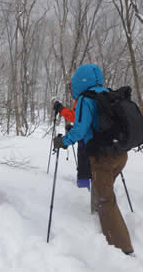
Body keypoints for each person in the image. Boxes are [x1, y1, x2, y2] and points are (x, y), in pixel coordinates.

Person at [53, 64, 134, 255]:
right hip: (120, 153)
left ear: (80, 81)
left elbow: (80, 129)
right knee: (101, 190)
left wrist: (63, 141)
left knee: (106, 200)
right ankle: (97, 218)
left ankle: (123, 250)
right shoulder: (107, 94)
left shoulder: (85, 99)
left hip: (102, 156)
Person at [53, 84, 92, 189]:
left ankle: (84, 193)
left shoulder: (83, 98)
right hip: (103, 142)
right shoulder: (96, 95)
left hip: (87, 141)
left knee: (84, 170)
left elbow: (74, 117)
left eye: (71, 88)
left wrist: (61, 109)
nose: (70, 91)